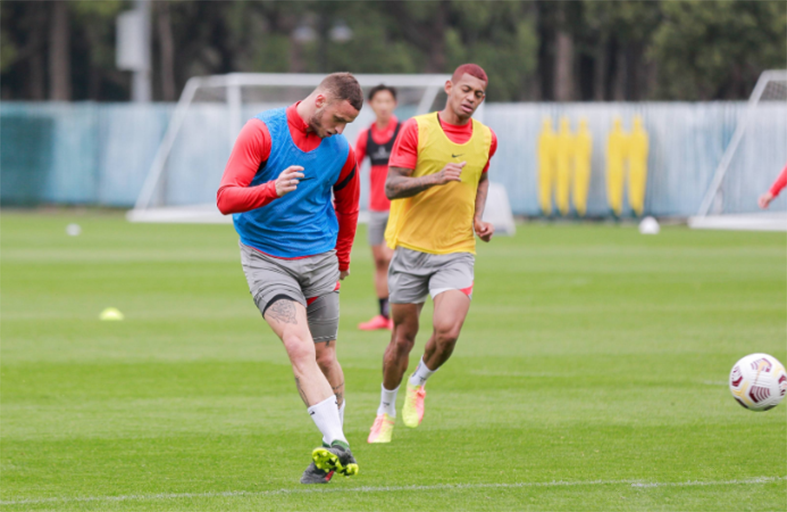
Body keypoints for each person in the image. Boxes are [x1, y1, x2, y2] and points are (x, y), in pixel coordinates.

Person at [216, 72, 362, 483]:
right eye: (338, 119)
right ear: (320, 101)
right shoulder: (262, 132)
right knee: (298, 347)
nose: (340, 129)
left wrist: (344, 257)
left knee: (326, 357)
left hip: (321, 261)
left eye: (347, 124)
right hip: (267, 259)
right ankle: (338, 442)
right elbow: (225, 197)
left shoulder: (340, 151)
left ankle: (331, 452)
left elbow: (348, 206)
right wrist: (271, 190)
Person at [367, 64, 498, 444]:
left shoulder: (487, 138)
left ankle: (419, 382)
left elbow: (482, 175)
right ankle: (385, 410)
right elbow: (392, 186)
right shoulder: (416, 129)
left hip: (457, 249)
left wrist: (478, 218)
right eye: (466, 90)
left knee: (448, 333)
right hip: (411, 250)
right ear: (449, 87)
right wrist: (436, 178)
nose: (471, 99)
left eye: (479, 95)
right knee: (402, 340)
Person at [355, 84, 401, 331]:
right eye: (378, 101)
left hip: (399, 208)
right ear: (371, 104)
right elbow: (351, 169)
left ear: (394, 104)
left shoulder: (404, 132)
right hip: (375, 209)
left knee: (390, 257)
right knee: (379, 263)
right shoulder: (366, 136)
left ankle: (399, 316)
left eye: (388, 101)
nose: (383, 106)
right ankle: (384, 316)